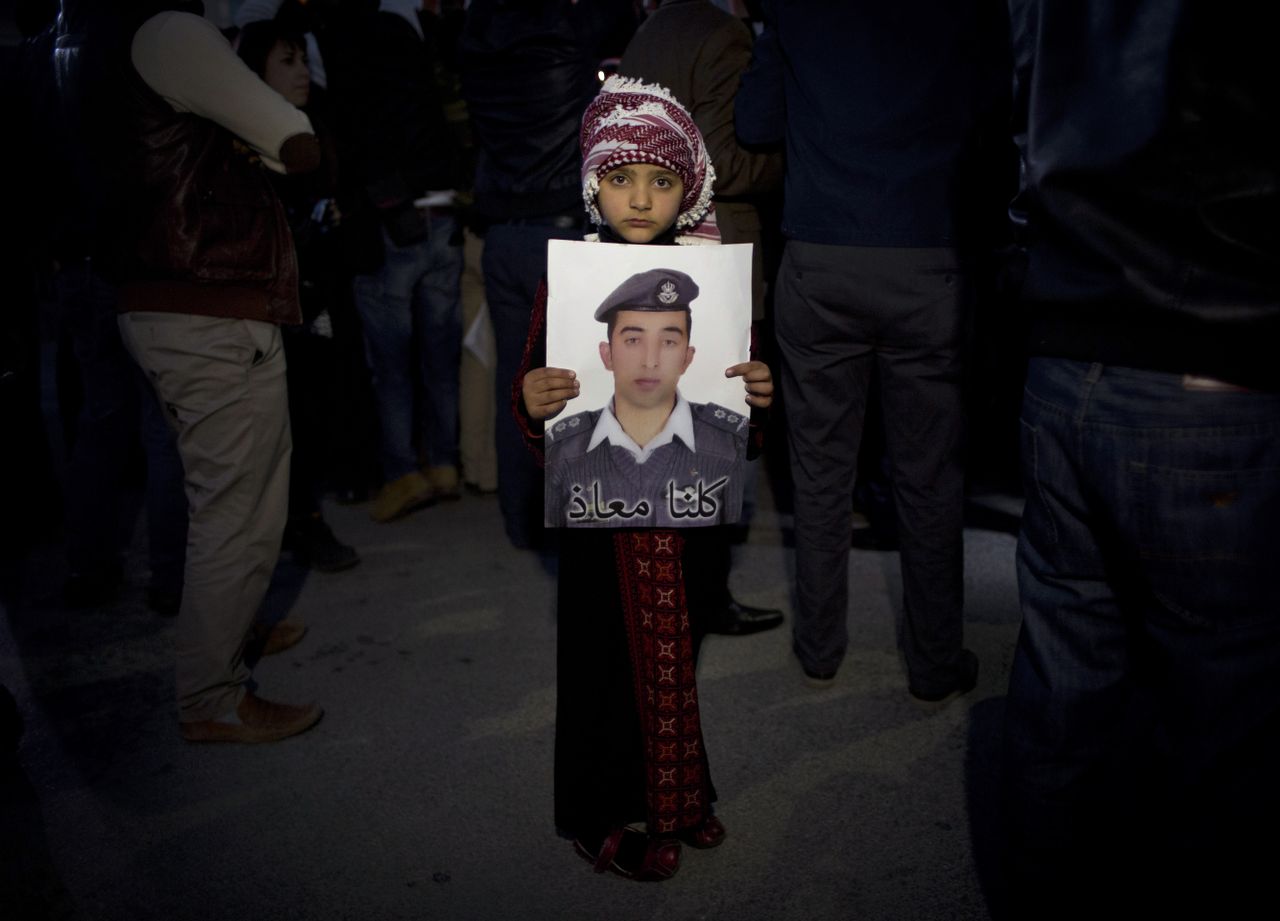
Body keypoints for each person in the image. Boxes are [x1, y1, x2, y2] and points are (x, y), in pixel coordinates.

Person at [1001, 1, 1280, 914]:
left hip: (1067, 335)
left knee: (1064, 683)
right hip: (1210, 340)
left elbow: (1025, 100)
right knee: (1220, 726)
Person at [518, 76, 773, 881]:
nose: (639, 198)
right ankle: (594, 815)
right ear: (594, 181)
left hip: (687, 514)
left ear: (686, 187)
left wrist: (758, 394)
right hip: (600, 524)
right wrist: (532, 399)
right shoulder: (572, 279)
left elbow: (737, 409)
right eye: (620, 178)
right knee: (600, 666)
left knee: (673, 653)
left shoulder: (712, 276)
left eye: (660, 181)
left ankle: (677, 792)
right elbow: (536, 389)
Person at [735, 1, 997, 699]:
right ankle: (936, 661)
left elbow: (754, 123)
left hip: (823, 257)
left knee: (820, 474)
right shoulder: (966, 16)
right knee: (930, 477)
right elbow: (996, 133)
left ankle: (821, 649)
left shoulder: (799, 10)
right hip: (926, 253)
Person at [116, 5, 322, 743]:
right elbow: (295, 142)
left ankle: (227, 633)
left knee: (223, 496)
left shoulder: (100, 41)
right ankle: (212, 692)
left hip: (167, 294)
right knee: (238, 507)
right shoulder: (172, 32)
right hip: (205, 299)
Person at [545, 267, 749, 529]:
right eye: (633, 340)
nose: (650, 361)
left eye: (668, 342)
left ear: (687, 357)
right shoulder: (564, 449)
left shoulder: (728, 444)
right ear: (607, 355)